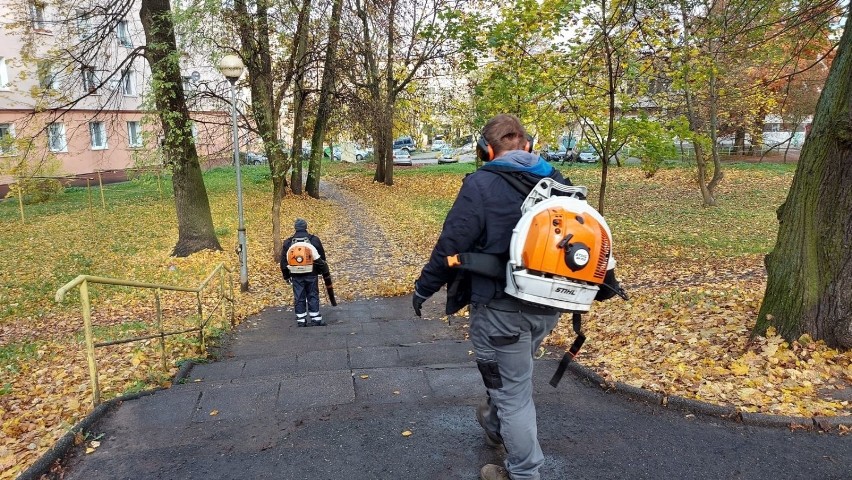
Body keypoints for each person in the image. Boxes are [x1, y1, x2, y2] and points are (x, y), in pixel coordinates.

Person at [411, 114, 570, 480]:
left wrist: (425, 288)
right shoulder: (557, 180)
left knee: (512, 392)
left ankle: (525, 473)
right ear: (529, 146)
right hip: (549, 305)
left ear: (485, 150)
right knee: (511, 377)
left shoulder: (481, 185)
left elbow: (452, 246)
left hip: (501, 309)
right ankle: (495, 423)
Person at [281, 218, 327, 327]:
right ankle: (316, 318)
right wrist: (321, 271)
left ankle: (301, 320)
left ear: (295, 228)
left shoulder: (288, 242)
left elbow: (283, 261)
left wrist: (286, 276)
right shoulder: (314, 240)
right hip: (311, 273)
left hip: (296, 274)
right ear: (306, 227)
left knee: (299, 295)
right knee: (313, 294)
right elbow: (322, 258)